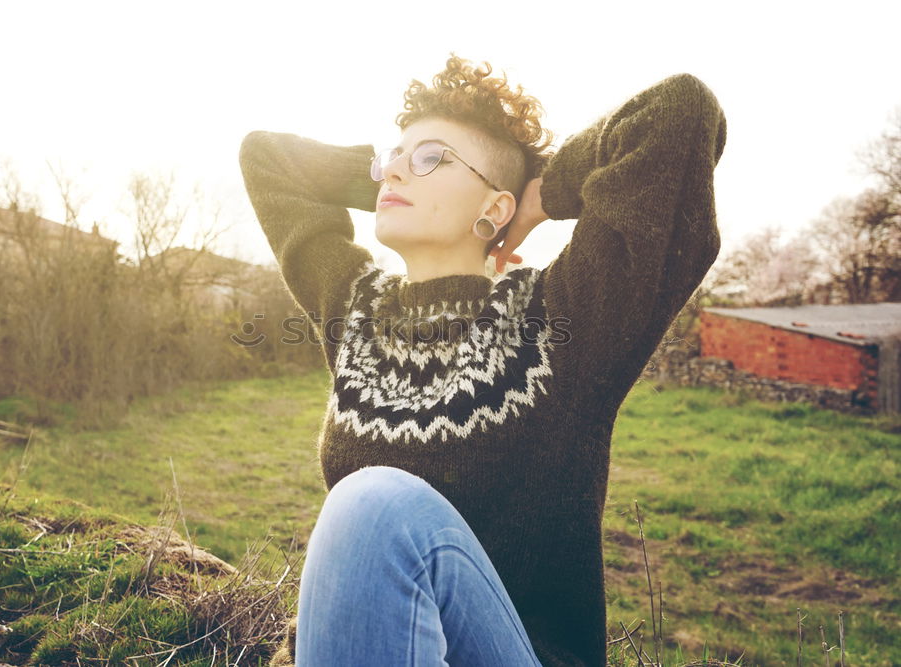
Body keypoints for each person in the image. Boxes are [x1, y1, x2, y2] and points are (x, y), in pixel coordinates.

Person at [239, 53, 727, 667]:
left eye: (429, 158)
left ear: (493, 210)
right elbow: (266, 157)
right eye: (392, 158)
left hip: (519, 653)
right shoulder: (354, 310)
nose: (394, 172)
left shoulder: (566, 318)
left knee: (373, 503)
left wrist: (541, 192)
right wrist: (397, 176)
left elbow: (680, 112)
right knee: (370, 505)